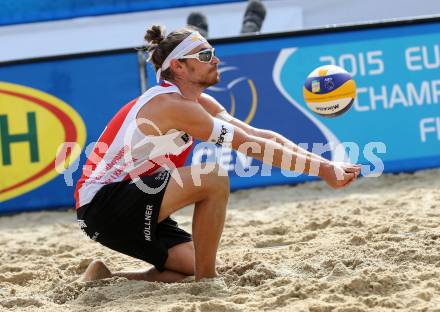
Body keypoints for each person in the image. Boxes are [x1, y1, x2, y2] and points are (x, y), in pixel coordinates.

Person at [75, 25, 361, 283]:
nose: (215, 59)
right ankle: (207, 282)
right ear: (178, 66)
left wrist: (327, 165)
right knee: (212, 177)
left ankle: (104, 280)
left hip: (126, 205)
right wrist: (324, 172)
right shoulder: (171, 104)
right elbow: (250, 145)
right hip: (102, 204)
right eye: (204, 55)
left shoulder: (200, 103)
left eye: (212, 52)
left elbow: (260, 136)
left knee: (194, 264)